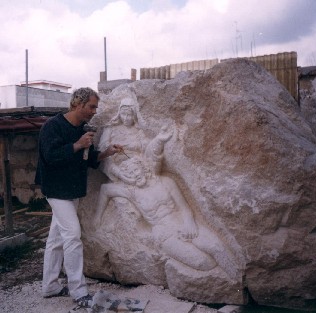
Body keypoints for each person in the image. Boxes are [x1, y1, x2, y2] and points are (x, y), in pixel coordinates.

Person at [34, 87, 123, 308]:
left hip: (72, 190)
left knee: (56, 239)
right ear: (78, 104)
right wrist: (77, 144)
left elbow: (85, 157)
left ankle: (50, 286)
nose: (94, 111)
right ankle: (79, 290)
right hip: (55, 190)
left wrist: (106, 153)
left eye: (96, 107)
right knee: (73, 236)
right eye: (91, 106)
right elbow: (50, 156)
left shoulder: (82, 129)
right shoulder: (52, 127)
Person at [94, 156, 240, 280]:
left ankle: (240, 280)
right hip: (164, 233)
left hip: (181, 221)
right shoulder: (131, 192)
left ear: (144, 168)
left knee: (216, 246)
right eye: (130, 174)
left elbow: (184, 206)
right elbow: (105, 190)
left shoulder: (165, 182)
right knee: (203, 263)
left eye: (136, 170)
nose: (135, 175)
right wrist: (97, 217)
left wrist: (189, 224)